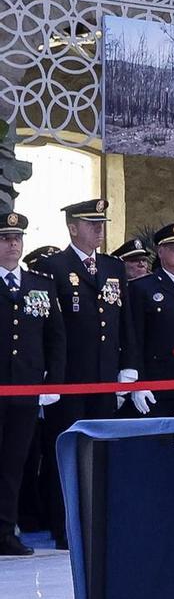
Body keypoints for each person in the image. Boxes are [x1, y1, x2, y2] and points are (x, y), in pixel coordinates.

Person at [31, 198, 123, 547]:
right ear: (72, 227)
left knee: (102, 452)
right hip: (68, 379)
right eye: (90, 223)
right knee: (66, 454)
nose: (98, 229)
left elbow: (121, 322)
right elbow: (50, 330)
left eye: (101, 223)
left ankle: (97, 522)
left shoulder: (112, 267)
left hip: (104, 376)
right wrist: (50, 377)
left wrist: (128, 368)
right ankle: (64, 527)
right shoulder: (53, 267)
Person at [0, 211, 62, 555]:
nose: (13, 244)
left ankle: (5, 531)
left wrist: (53, 380)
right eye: (6, 238)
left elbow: (55, 338)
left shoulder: (39, 284)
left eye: (17, 238)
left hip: (25, 388)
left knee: (14, 463)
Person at [118, 223, 174, 418]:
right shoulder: (142, 288)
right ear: (161, 252)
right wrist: (138, 383)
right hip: (159, 383)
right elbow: (134, 339)